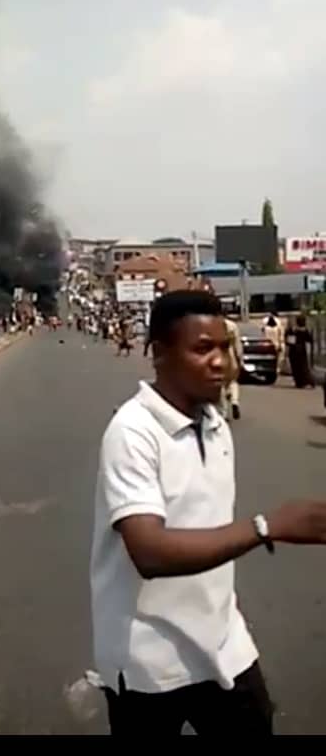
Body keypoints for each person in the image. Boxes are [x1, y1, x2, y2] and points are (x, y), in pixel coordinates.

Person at [90, 290, 326, 736]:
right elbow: (149, 552)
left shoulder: (215, 424)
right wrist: (266, 527)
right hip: (148, 658)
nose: (220, 361)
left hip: (224, 646)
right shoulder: (132, 432)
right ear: (159, 354)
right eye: (202, 349)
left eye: (224, 347)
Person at [221, 316, 243, 420]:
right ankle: (235, 401)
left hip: (220, 355)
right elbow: (237, 344)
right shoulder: (232, 325)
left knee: (221, 386)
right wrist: (240, 359)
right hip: (231, 356)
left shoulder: (213, 324)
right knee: (233, 381)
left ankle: (223, 413)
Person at [286, 314, 314, 389]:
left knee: (295, 368)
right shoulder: (305, 330)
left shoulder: (293, 330)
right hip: (302, 351)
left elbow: (289, 341)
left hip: (293, 351)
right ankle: (308, 381)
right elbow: (310, 340)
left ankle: (299, 382)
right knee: (304, 367)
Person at [262, 313, 285, 377]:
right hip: (276, 344)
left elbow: (264, 334)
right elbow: (280, 335)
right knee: (278, 358)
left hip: (268, 344)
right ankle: (277, 368)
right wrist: (280, 343)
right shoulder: (277, 327)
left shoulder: (266, 328)